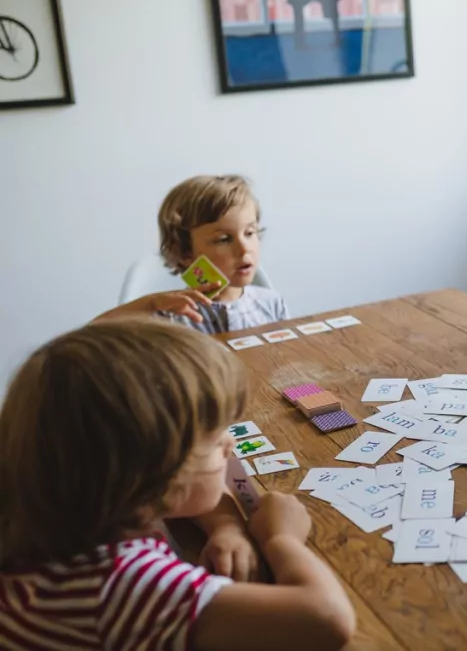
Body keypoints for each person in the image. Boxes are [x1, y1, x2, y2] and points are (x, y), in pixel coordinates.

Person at [0, 319, 356, 650]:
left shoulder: (49, 492)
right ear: (153, 470)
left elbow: (190, 495)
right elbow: (326, 618)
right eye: (216, 440)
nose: (230, 445)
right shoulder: (121, 584)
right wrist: (282, 538)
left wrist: (227, 527)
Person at [96, 175, 288, 334]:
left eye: (249, 233)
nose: (244, 248)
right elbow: (93, 334)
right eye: (224, 239)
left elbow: (289, 364)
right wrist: (151, 304)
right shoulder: (171, 315)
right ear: (186, 252)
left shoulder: (272, 303)